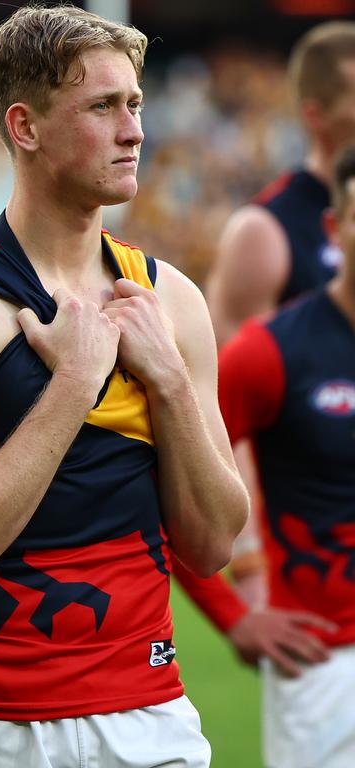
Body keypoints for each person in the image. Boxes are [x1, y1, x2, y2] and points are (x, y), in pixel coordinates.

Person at [0, 6, 249, 767]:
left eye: (136, 104)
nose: (134, 130)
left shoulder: (170, 298)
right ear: (26, 126)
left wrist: (171, 381)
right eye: (102, 107)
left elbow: (212, 545)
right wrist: (76, 381)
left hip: (146, 715)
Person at [175, 20, 355, 674]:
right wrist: (247, 581)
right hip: (313, 570)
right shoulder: (267, 231)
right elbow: (220, 420)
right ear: (316, 115)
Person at [202, 145, 355, 768]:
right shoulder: (269, 351)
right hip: (326, 664)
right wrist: (234, 613)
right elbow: (166, 478)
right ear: (334, 227)